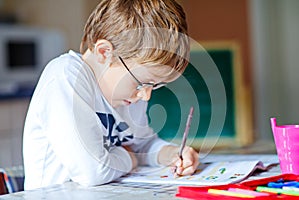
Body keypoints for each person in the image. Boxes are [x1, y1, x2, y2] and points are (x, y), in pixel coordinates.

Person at [23, 0, 199, 190]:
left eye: (154, 86)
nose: (146, 96)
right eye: (142, 83)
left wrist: (171, 154)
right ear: (104, 52)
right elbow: (92, 171)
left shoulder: (130, 96)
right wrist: (128, 158)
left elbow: (142, 146)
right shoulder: (66, 76)